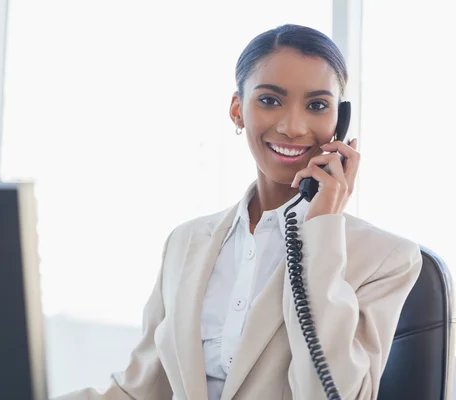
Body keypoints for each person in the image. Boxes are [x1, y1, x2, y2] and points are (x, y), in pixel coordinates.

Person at [56, 24, 422, 400]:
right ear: (237, 111)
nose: (292, 127)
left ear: (339, 122)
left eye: (316, 106)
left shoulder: (387, 259)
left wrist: (323, 234)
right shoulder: (186, 243)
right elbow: (139, 391)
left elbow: (332, 393)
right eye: (269, 100)